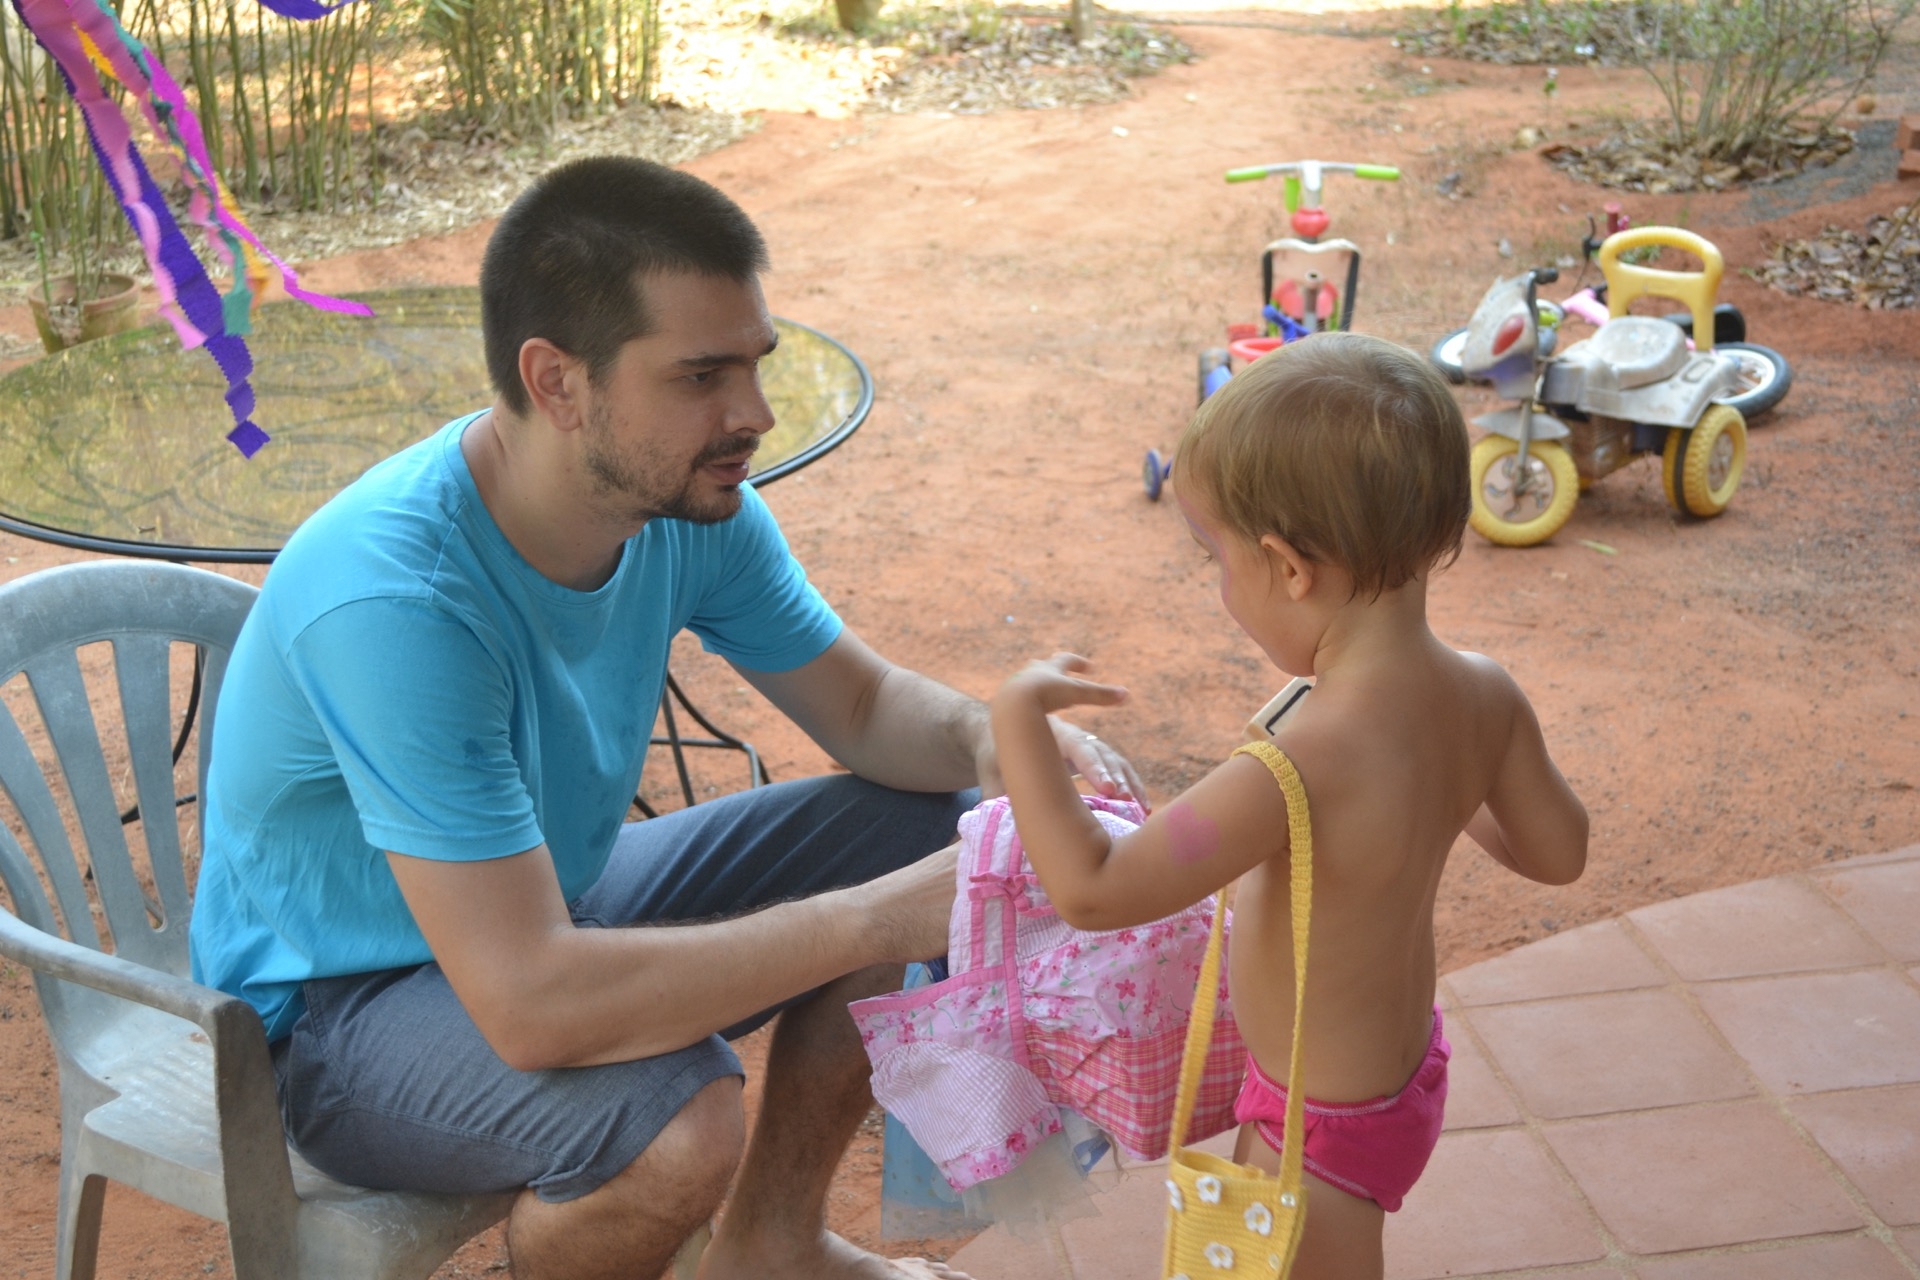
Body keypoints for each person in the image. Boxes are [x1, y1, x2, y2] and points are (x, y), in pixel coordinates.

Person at [188, 155, 1143, 1280]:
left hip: (547, 899)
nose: (754, 414)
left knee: (939, 823)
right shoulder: (399, 602)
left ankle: (772, 1247)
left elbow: (863, 703)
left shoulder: (682, 503)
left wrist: (992, 739)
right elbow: (535, 1005)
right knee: (677, 1128)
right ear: (557, 381)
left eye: (753, 363)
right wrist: (878, 920)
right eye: (701, 376)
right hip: (334, 1008)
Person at [986, 332, 1589, 1279]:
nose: (1221, 584)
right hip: (1397, 1083)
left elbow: (1096, 890)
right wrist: (1453, 772)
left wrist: (1017, 719)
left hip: (1315, 1131)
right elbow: (1558, 852)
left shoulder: (1294, 765)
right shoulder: (1482, 693)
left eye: (1217, 558)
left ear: (1290, 567)